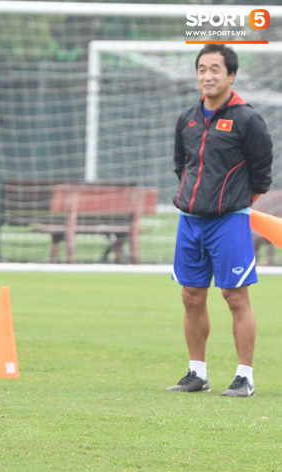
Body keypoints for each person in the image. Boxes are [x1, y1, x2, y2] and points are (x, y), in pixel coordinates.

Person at [167, 44, 273, 397]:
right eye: (201, 69)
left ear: (231, 75)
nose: (207, 75)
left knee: (235, 297)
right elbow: (182, 166)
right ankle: (197, 373)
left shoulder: (247, 119)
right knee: (191, 295)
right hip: (190, 222)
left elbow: (261, 177)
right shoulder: (188, 118)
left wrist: (233, 205)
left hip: (229, 222)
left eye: (215, 69)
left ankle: (245, 377)